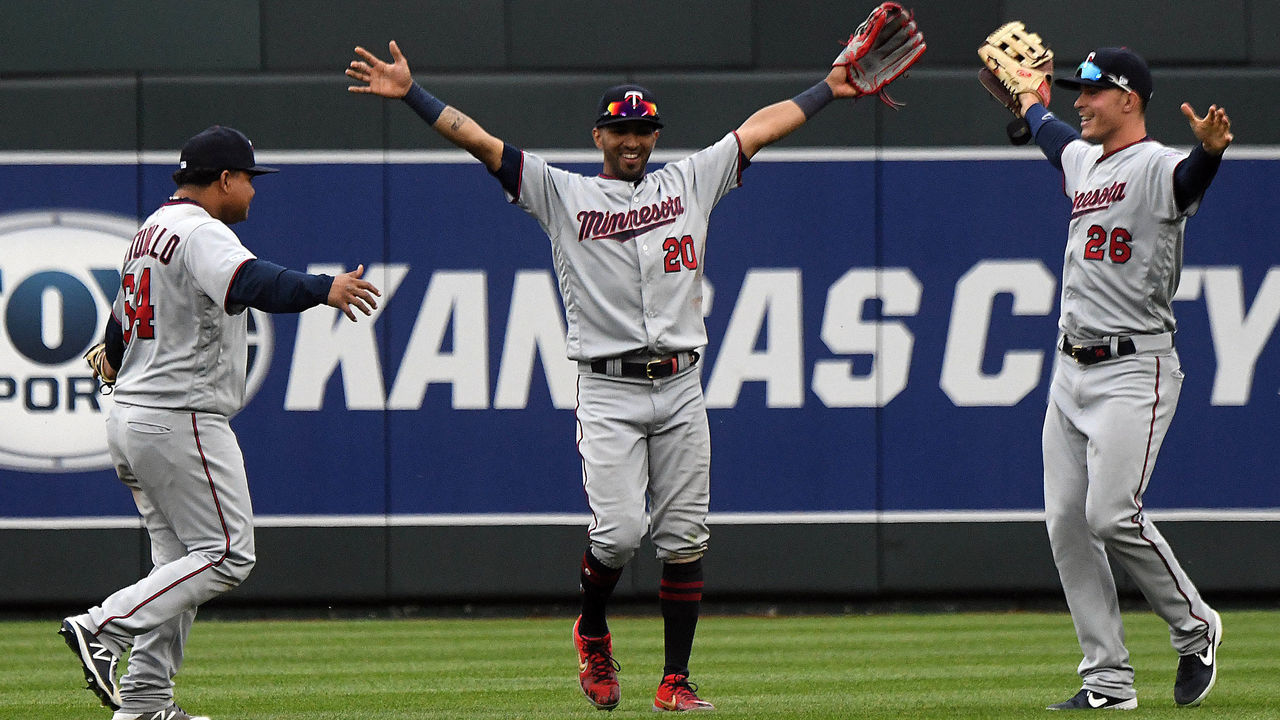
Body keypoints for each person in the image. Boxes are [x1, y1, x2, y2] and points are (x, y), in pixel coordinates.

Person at [346, 6, 923, 712]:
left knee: (685, 539)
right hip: (609, 389)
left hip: (681, 384)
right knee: (619, 534)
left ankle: (675, 680)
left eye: (643, 129)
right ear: (599, 136)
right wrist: (412, 94)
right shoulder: (564, 194)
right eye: (620, 129)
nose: (633, 140)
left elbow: (759, 128)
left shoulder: (690, 182)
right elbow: (483, 144)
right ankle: (592, 629)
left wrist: (826, 89)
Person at [60, 125, 382, 720]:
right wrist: (324, 288)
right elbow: (252, 282)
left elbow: (119, 319)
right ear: (225, 179)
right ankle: (101, 626)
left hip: (133, 414)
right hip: (178, 416)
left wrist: (113, 345)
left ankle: (145, 702)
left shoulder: (150, 230)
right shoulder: (202, 230)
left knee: (177, 566)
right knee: (229, 553)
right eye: (249, 181)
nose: (254, 193)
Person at [1011, 48, 1231, 710]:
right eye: (1077, 91)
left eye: (1093, 92)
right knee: (1066, 526)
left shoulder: (1158, 165)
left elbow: (1189, 180)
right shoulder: (1085, 159)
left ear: (1128, 99)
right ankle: (1106, 681)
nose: (1080, 101)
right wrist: (1027, 100)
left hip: (1135, 367)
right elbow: (1052, 138)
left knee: (1110, 514)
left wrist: (1212, 155)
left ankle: (1196, 627)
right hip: (1068, 368)